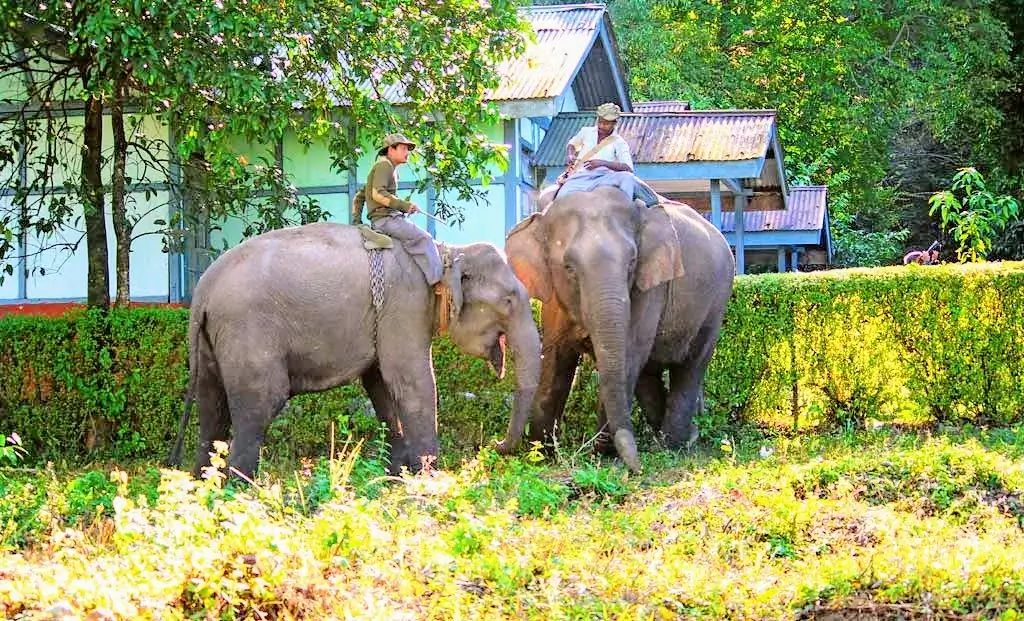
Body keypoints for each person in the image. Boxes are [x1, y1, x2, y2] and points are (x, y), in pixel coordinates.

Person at [352, 133, 444, 286]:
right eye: (403, 148)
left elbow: (360, 196)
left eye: (407, 149)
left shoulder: (386, 167)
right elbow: (378, 194)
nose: (407, 152)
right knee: (425, 239)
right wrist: (405, 206)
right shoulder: (384, 166)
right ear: (391, 150)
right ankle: (438, 283)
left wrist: (357, 222)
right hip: (386, 220)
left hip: (383, 220)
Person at [537, 102, 660, 210]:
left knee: (627, 178)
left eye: (606, 124)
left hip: (604, 176)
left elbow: (628, 167)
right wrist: (570, 154)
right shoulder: (586, 132)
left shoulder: (619, 142)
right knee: (561, 199)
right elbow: (572, 144)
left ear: (614, 123)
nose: (601, 126)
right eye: (600, 122)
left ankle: (624, 208)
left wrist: (602, 163)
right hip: (581, 176)